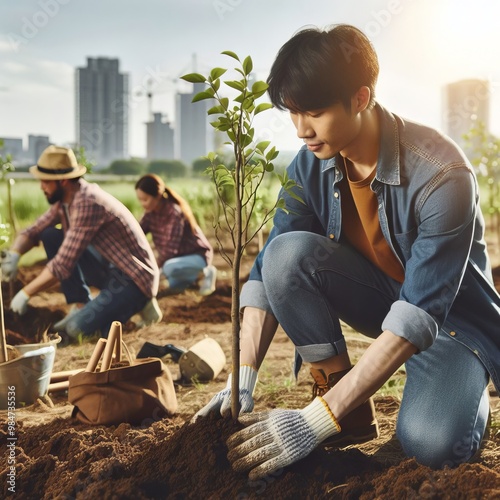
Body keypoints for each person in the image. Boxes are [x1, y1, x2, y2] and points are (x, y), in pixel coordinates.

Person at [195, 24, 500, 480]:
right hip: (383, 301)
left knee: (433, 447)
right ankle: (346, 409)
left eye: (314, 112)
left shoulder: (443, 174)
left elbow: (418, 315)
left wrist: (312, 423)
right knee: (284, 253)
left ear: (360, 98)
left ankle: (461, 393)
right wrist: (242, 380)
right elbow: (265, 273)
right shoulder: (310, 163)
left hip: (450, 327)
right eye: (293, 114)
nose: (302, 130)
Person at [0, 145, 161, 340]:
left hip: (133, 279)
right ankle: (82, 304)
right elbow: (34, 230)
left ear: (64, 181)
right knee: (50, 235)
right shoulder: (65, 201)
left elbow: (63, 264)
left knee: (76, 330)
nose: (41, 186)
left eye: (46, 181)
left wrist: (25, 293)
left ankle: (136, 306)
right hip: (112, 270)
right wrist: (15, 254)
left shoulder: (87, 202)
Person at [135, 173, 217, 296]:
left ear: (157, 196)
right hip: (177, 261)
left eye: (145, 199)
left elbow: (169, 251)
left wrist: (152, 271)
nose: (143, 204)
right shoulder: (150, 214)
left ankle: (206, 272)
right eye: (140, 200)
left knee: (168, 268)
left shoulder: (174, 212)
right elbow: (137, 233)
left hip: (197, 256)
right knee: (174, 285)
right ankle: (193, 279)